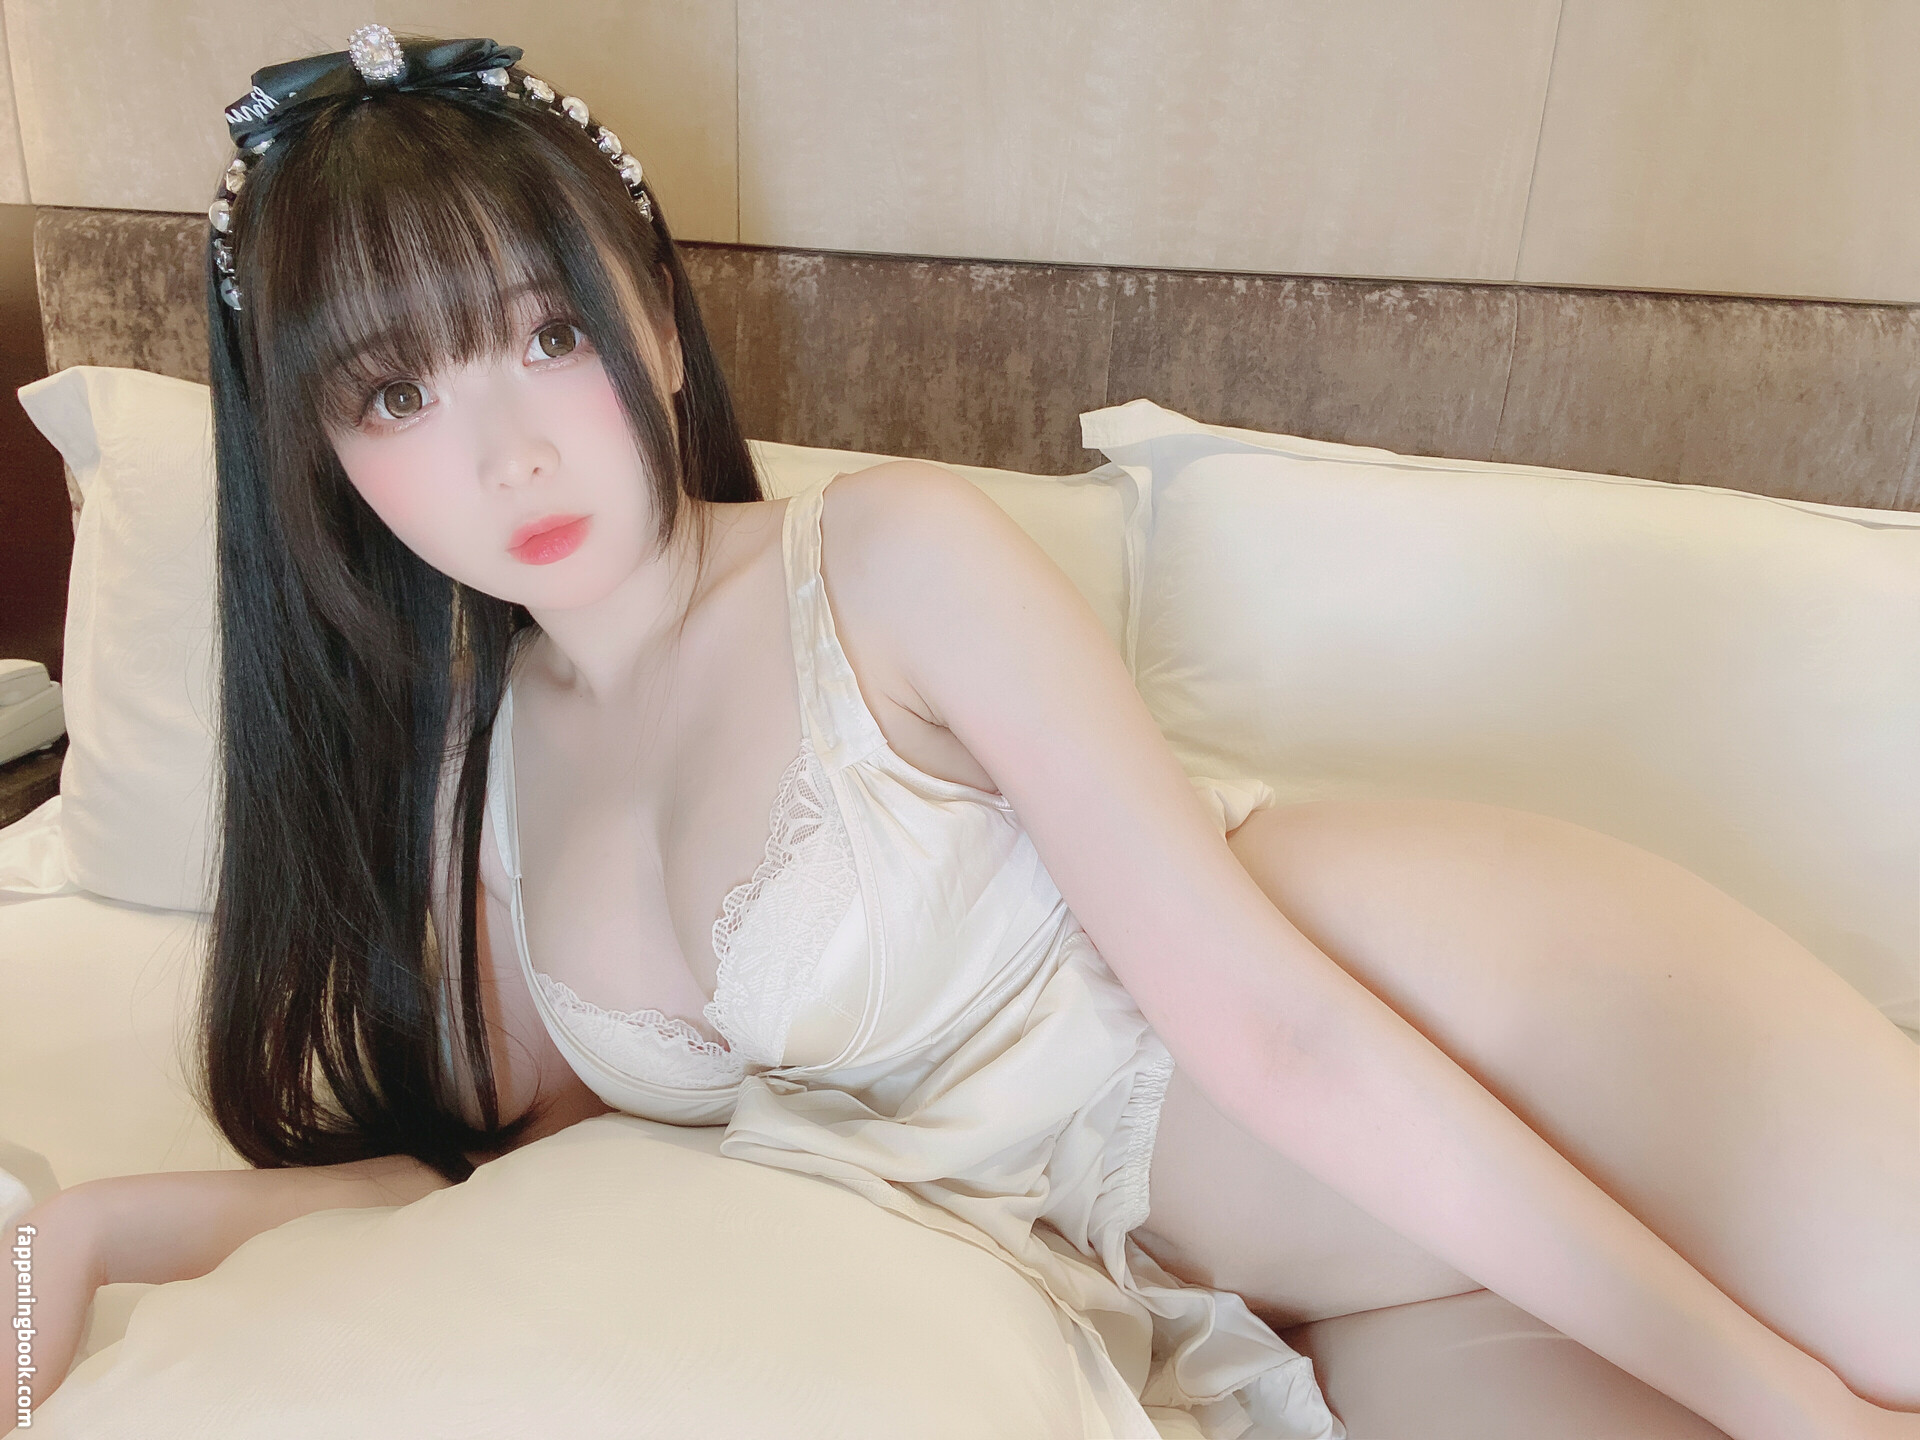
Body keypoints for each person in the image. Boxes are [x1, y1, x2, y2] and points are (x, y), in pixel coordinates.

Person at [7, 26, 1915, 1440]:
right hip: (1319, 1294)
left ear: (655, 325)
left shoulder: (886, 561)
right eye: (395, 391)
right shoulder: (486, 787)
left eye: (546, 332)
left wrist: (1795, 1405)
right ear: (320, 459)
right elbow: (486, 1167)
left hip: (1511, 1021)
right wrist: (95, 1230)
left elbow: (1283, 1034)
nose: (504, 447)